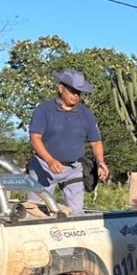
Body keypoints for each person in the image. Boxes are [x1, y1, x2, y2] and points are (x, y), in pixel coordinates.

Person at [28, 69, 110, 215]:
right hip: (43, 166)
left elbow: (96, 141)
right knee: (36, 212)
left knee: (76, 212)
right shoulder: (44, 110)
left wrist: (100, 162)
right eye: (72, 91)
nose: (76, 96)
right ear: (61, 88)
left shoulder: (85, 114)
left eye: (79, 92)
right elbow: (35, 138)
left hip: (73, 169)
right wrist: (50, 160)